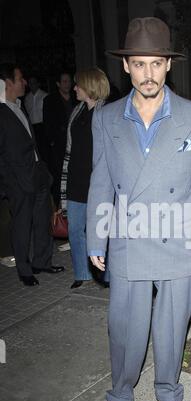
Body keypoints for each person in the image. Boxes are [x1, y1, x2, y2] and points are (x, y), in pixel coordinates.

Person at [87, 17, 191, 401]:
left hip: (177, 239)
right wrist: (96, 236)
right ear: (126, 67)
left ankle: (169, 393)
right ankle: (120, 396)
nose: (148, 74)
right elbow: (100, 181)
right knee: (124, 327)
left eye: (156, 64)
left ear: (168, 65)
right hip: (128, 239)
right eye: (140, 64)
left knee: (171, 329)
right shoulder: (106, 119)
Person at [0, 64, 64, 286]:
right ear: (7, 83)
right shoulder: (1, 111)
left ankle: (42, 262)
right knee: (22, 225)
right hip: (18, 181)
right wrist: (8, 183)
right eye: (20, 79)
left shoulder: (19, 106)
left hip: (37, 174)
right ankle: (24, 270)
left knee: (42, 220)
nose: (25, 82)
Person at [60, 68, 110, 290]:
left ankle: (106, 273)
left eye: (78, 84)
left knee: (99, 231)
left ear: (89, 86)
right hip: (75, 181)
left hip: (97, 183)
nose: (74, 88)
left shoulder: (106, 113)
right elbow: (70, 151)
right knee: (75, 229)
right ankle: (82, 273)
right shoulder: (77, 112)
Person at [43, 72, 77, 209]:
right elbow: (48, 124)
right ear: (58, 84)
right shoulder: (50, 100)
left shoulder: (76, 97)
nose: (67, 84)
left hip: (75, 144)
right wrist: (52, 141)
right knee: (60, 178)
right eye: (64, 81)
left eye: (69, 81)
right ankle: (60, 208)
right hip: (59, 145)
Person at [24, 76, 48, 162]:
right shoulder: (27, 98)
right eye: (30, 83)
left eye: (34, 82)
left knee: (45, 150)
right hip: (32, 127)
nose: (32, 85)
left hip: (43, 126)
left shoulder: (45, 96)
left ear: (38, 84)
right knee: (36, 150)